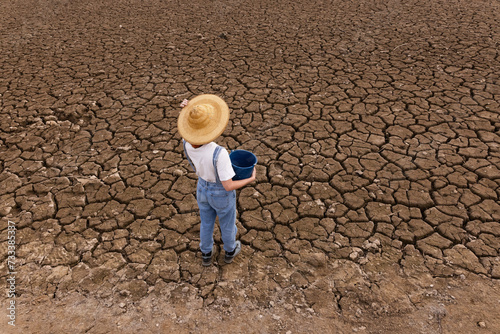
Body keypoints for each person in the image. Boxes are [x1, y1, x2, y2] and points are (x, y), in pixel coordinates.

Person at [178, 95, 256, 266]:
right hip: (220, 193)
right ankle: (230, 250)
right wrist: (250, 179)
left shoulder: (185, 142)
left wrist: (188, 111)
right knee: (227, 224)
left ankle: (206, 253)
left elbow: (186, 129)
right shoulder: (219, 153)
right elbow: (228, 185)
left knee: (206, 223)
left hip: (202, 189)